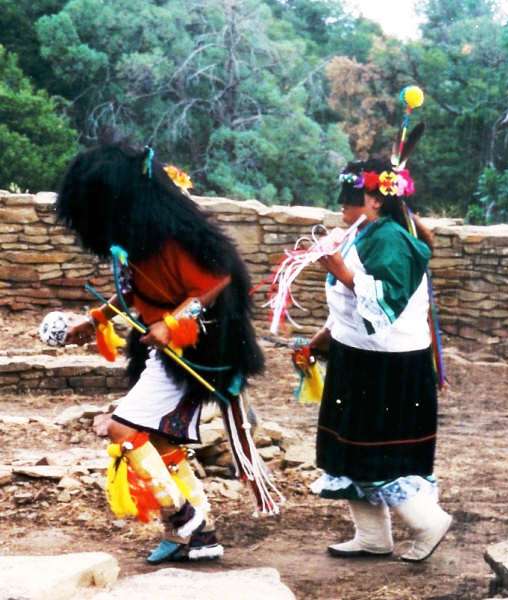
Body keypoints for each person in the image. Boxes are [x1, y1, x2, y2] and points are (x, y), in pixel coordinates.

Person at [57, 141, 274, 564]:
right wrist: (99, 318)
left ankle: (187, 520)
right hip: (167, 354)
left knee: (122, 431)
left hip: (190, 355)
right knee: (158, 441)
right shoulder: (141, 240)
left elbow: (216, 282)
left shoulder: (172, 239)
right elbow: (139, 292)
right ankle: (196, 534)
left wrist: (172, 322)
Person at [309, 157, 452, 562]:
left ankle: (427, 523)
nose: (342, 207)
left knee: (380, 453)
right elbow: (348, 306)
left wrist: (341, 270)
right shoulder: (362, 232)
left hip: (390, 368)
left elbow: (388, 299)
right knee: (348, 450)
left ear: (374, 200)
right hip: (357, 358)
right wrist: (322, 338)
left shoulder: (391, 239)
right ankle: (372, 536)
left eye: (351, 199)